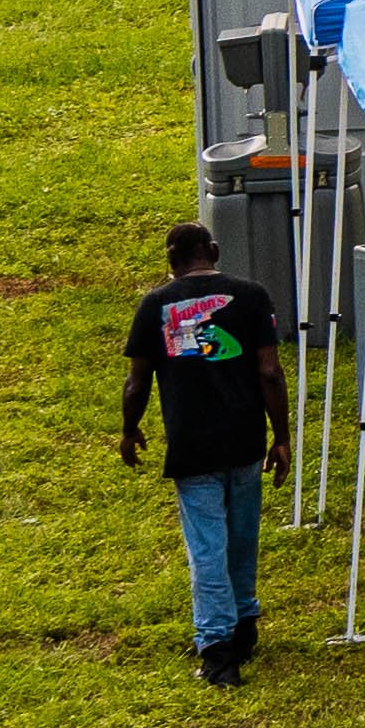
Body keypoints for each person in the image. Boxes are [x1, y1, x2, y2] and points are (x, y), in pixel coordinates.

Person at [120, 219, 285, 685]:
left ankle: (217, 649)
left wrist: (130, 430)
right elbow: (270, 373)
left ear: (170, 260)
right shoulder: (252, 295)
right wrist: (282, 437)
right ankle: (245, 621)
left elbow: (137, 380)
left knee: (207, 548)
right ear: (213, 249)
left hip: (192, 445)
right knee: (242, 535)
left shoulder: (155, 304)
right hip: (246, 439)